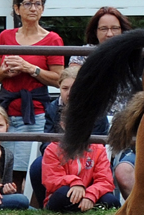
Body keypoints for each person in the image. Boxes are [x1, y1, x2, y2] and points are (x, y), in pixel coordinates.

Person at [0, 0, 64, 192]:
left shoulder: (52, 39)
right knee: (2, 162)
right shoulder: (5, 36)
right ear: (16, 8)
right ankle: (2, 199)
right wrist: (5, 71)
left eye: (38, 4)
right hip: (5, 111)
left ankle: (26, 202)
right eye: (28, 3)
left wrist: (30, 68)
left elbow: (59, 79)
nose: (33, 8)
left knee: (27, 165)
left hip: (36, 112)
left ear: (43, 8)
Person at [68, 7, 135, 200]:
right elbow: (75, 85)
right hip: (93, 122)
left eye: (115, 28)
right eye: (103, 29)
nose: (110, 33)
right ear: (94, 32)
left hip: (126, 121)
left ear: (123, 30)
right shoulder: (80, 55)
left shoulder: (133, 54)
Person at [28, 67, 110, 207]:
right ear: (59, 87)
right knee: (38, 165)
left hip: (88, 157)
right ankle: (48, 204)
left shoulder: (96, 108)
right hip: (59, 156)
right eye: (65, 88)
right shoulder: (53, 107)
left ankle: (84, 199)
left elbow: (98, 141)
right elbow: (46, 139)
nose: (70, 93)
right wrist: (57, 153)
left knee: (110, 199)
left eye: (74, 88)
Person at [41, 125, 120, 213]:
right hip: (66, 193)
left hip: (91, 194)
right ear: (63, 124)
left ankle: (84, 208)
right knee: (64, 193)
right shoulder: (53, 149)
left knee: (111, 201)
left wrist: (91, 194)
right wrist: (75, 183)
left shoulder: (98, 148)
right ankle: (87, 209)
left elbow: (105, 180)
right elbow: (51, 179)